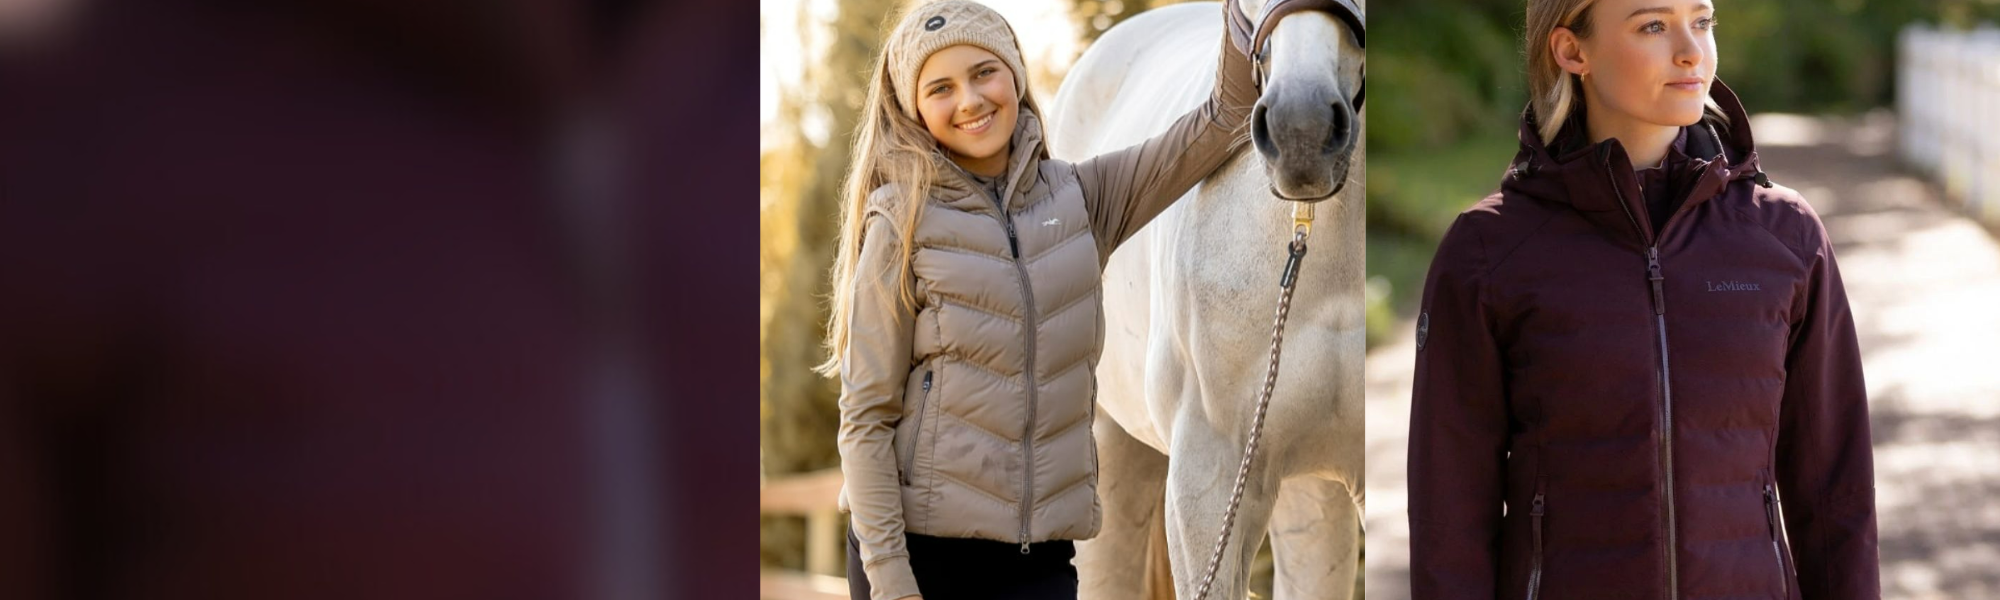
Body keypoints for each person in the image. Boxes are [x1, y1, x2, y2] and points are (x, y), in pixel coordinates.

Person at [1406, 0, 1880, 599]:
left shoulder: (1785, 237)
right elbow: (1449, 517)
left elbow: (1836, 490)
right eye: (1653, 25)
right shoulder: (1488, 252)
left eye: (1702, 22)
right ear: (1572, 51)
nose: (1691, 51)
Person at [817, 1, 1259, 599]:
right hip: (919, 558)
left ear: (1016, 75)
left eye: (984, 72)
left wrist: (1245, 13)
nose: (970, 100)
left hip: (1040, 559)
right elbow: (866, 417)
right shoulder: (901, 222)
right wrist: (892, 580)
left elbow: (1223, 120)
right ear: (914, 108)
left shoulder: (1082, 198)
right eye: (941, 88)